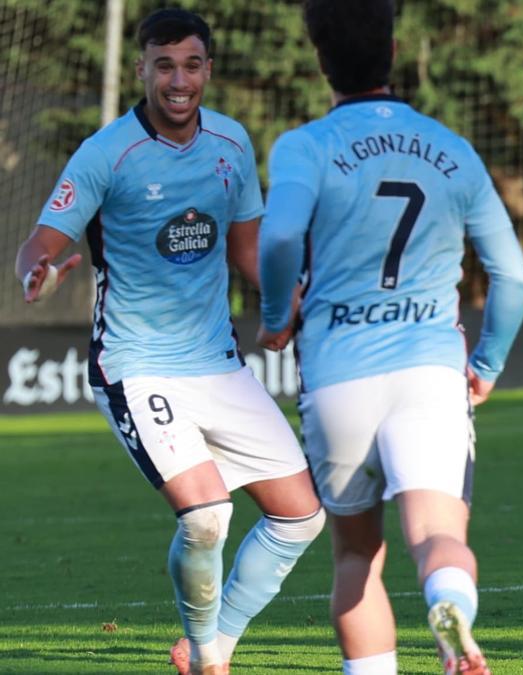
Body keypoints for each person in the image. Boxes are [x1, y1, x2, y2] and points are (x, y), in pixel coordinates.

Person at [13, 9, 325, 675]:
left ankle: (217, 641)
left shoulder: (232, 143)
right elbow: (40, 243)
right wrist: (37, 272)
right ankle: (208, 658)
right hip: (136, 367)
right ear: (142, 69)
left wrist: (296, 304)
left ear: (208, 69)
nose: (178, 80)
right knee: (207, 515)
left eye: (190, 65)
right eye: (164, 65)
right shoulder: (106, 153)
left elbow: (248, 250)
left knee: (302, 516)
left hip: (217, 363)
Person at [255, 1, 523, 674]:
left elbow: (281, 236)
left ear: (321, 58)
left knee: (356, 555)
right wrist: (488, 362)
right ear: (395, 50)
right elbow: (514, 277)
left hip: (337, 376)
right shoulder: (452, 149)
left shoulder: (303, 146)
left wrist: (275, 315)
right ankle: (449, 608)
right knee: (436, 533)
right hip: (429, 374)